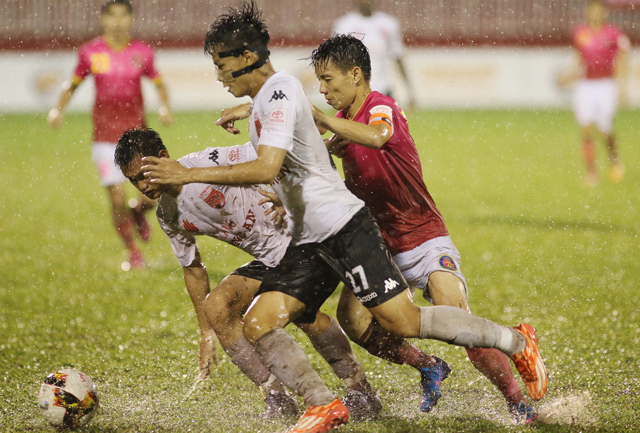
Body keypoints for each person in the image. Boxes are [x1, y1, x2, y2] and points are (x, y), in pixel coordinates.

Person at [141, 3, 547, 432]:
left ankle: (515, 343)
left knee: (405, 322)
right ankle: (323, 404)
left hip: (351, 228)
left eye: (222, 65)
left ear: (246, 57)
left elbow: (267, 165)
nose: (219, 76)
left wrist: (187, 174)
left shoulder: (288, 93)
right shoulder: (273, 100)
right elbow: (303, 150)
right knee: (261, 321)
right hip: (313, 238)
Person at [115, 127, 446, 420]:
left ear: (162, 157)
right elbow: (193, 268)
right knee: (219, 307)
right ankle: (276, 394)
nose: (143, 186)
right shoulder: (168, 215)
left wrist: (322, 148)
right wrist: (206, 333)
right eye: (134, 181)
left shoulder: (208, 162)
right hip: (271, 259)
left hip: (305, 238)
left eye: (145, 174)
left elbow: (268, 155)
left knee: (335, 318)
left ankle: (357, 390)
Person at [309, 33, 539, 424]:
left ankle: (518, 401)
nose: (322, 88)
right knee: (353, 319)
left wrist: (325, 122)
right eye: (319, 80)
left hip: (423, 236)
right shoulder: (346, 125)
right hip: (379, 245)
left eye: (329, 79)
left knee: (458, 321)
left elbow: (379, 138)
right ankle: (427, 366)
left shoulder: (381, 107)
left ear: (355, 74)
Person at [47, 0, 173, 269]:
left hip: (137, 135)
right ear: (104, 20)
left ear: (130, 19)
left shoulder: (142, 52)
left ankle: (139, 210)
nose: (118, 22)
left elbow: (159, 83)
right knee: (116, 198)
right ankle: (133, 251)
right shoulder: (90, 52)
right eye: (112, 16)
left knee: (156, 192)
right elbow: (72, 84)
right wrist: (58, 109)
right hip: (104, 137)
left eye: (123, 16)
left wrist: (164, 106)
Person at [557, 0, 630, 186]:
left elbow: (621, 60)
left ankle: (614, 160)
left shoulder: (613, 34)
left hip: (606, 84)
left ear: (604, 13)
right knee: (586, 128)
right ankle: (591, 174)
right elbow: (578, 59)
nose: (594, 14)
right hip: (586, 85)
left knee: (605, 130)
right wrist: (568, 75)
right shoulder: (580, 33)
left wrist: (621, 88)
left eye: (598, 11)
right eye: (591, 11)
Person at [333, 0, 415, 110]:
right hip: (355, 91)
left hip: (383, 90)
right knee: (355, 126)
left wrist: (409, 90)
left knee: (388, 126)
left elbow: (397, 57)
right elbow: (336, 62)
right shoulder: (344, 25)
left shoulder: (389, 23)